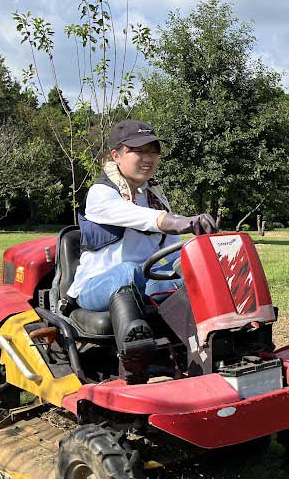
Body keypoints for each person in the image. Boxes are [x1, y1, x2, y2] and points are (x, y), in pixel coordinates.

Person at [66, 119, 217, 379]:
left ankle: (220, 341)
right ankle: (135, 358)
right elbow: (142, 217)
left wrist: (198, 252)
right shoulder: (101, 193)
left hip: (144, 281)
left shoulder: (152, 194)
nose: (148, 158)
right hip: (97, 287)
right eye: (138, 151)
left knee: (196, 262)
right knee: (128, 272)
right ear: (116, 155)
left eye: (153, 150)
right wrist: (178, 222)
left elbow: (169, 247)